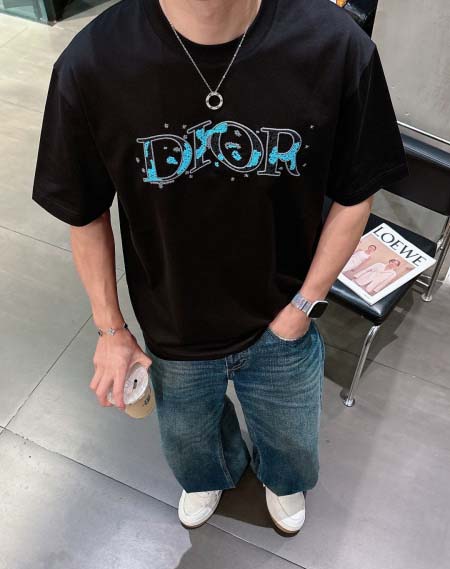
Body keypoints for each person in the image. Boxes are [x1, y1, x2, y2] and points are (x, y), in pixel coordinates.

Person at [32, 0, 409, 533]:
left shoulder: (335, 45)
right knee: (191, 446)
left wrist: (302, 307)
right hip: (172, 324)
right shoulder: (92, 63)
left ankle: (282, 479)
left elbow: (356, 192)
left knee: (291, 442)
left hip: (283, 314)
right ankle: (213, 471)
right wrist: (111, 329)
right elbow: (83, 210)